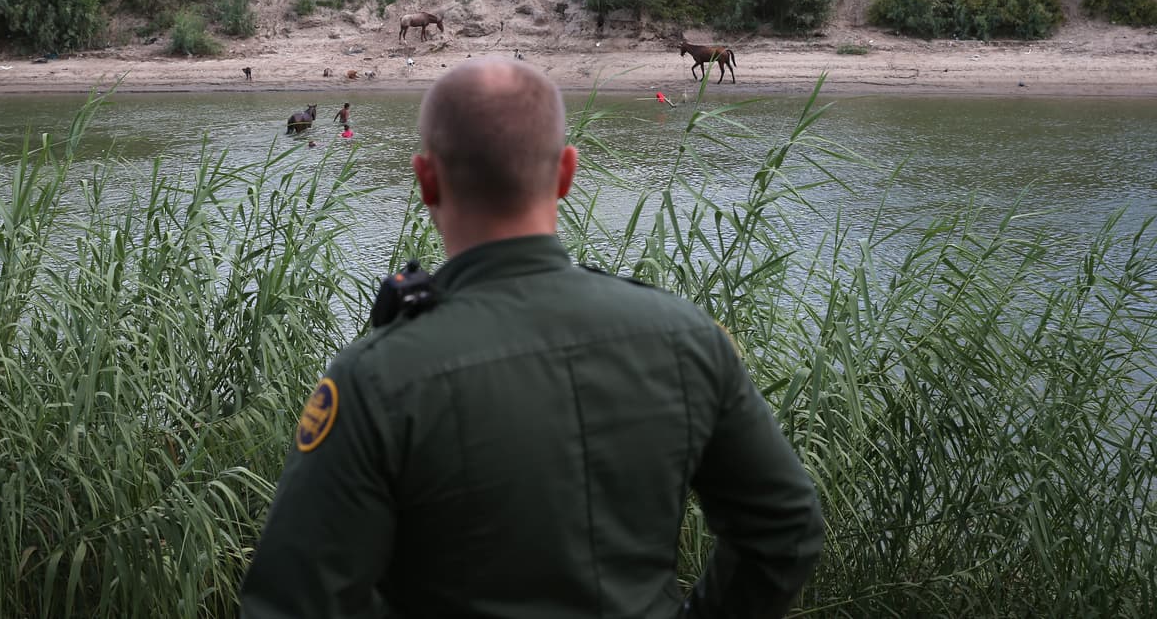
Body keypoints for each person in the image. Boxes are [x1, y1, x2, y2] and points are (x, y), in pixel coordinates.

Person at [240, 59, 823, 619]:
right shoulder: (688, 339)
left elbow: (293, 601)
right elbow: (785, 529)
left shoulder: (374, 377)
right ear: (567, 172)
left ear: (426, 180)